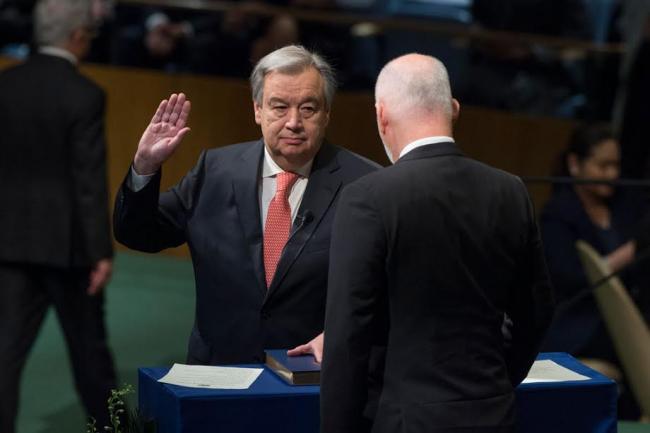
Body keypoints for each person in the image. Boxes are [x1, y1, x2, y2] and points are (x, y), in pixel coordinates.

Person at [320, 53, 555, 433]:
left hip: (404, 419)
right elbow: (538, 311)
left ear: (381, 115)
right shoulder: (510, 191)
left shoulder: (369, 197)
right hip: (494, 414)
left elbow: (348, 338)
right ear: (455, 110)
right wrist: (497, 381)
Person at [113, 45, 379, 366]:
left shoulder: (365, 184)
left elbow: (389, 287)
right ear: (257, 110)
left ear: (326, 114)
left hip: (313, 378)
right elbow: (139, 234)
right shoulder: (215, 170)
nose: (294, 122)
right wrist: (144, 167)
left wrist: (340, 336)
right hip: (221, 372)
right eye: (279, 107)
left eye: (308, 109)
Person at [0, 0, 117, 431]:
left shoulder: (5, 87)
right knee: (90, 356)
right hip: (69, 249)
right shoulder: (85, 95)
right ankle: (109, 428)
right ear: (78, 36)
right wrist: (101, 252)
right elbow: (87, 181)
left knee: (4, 356)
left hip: (8, 243)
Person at [539, 123, 650, 418]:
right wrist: (633, 250)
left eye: (616, 165)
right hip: (579, 323)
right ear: (575, 164)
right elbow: (574, 280)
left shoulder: (627, 207)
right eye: (603, 165)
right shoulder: (557, 216)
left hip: (623, 320)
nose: (612, 175)